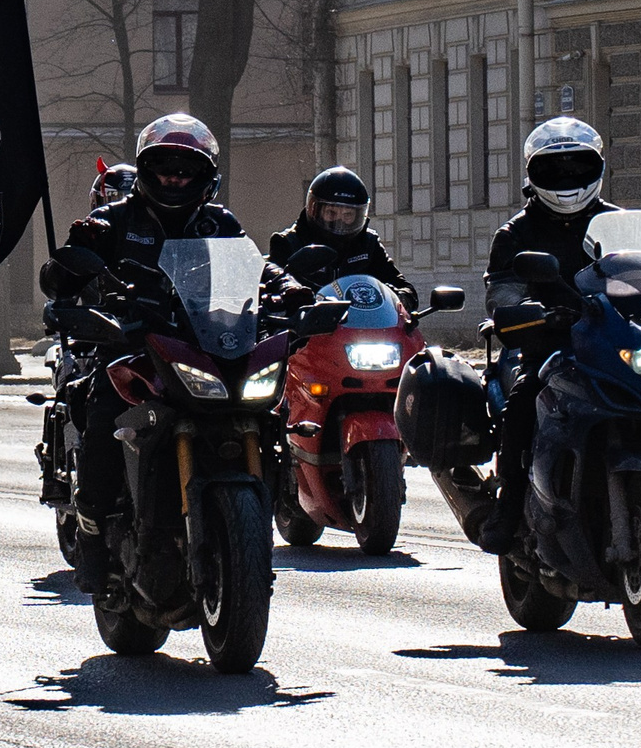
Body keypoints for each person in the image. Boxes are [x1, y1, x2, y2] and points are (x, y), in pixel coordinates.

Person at [39, 113, 248, 580]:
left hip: (205, 348)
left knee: (263, 409)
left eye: (186, 168)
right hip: (131, 347)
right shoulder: (111, 220)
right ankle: (93, 532)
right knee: (104, 415)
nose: (175, 177)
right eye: (164, 167)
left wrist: (287, 291)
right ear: (146, 170)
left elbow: (254, 272)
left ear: (205, 175)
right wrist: (70, 267)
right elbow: (58, 279)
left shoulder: (219, 223)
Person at [473, 117, 625, 553]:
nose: (567, 180)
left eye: (577, 168)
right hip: (549, 347)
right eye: (553, 170)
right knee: (524, 404)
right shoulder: (516, 233)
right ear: (532, 173)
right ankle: (509, 503)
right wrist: (529, 314)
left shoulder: (620, 225)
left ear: (596, 168)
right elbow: (501, 293)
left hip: (614, 344)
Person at [267, 166, 414, 306]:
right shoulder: (289, 242)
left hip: (360, 325)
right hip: (305, 328)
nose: (340, 221)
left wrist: (400, 298)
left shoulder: (368, 244)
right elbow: (272, 272)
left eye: (348, 214)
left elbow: (402, 286)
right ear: (314, 210)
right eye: (331, 213)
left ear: (359, 215)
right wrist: (289, 288)